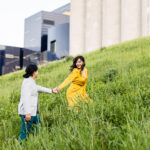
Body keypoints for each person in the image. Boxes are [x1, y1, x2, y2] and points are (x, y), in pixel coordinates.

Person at [18, 63, 57, 143]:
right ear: (34, 72)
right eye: (37, 71)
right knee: (25, 132)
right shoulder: (27, 83)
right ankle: (20, 146)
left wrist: (51, 90)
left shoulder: (31, 81)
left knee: (39, 123)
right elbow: (26, 99)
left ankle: (36, 140)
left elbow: (38, 88)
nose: (38, 73)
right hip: (28, 113)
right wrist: (27, 113)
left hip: (33, 112)